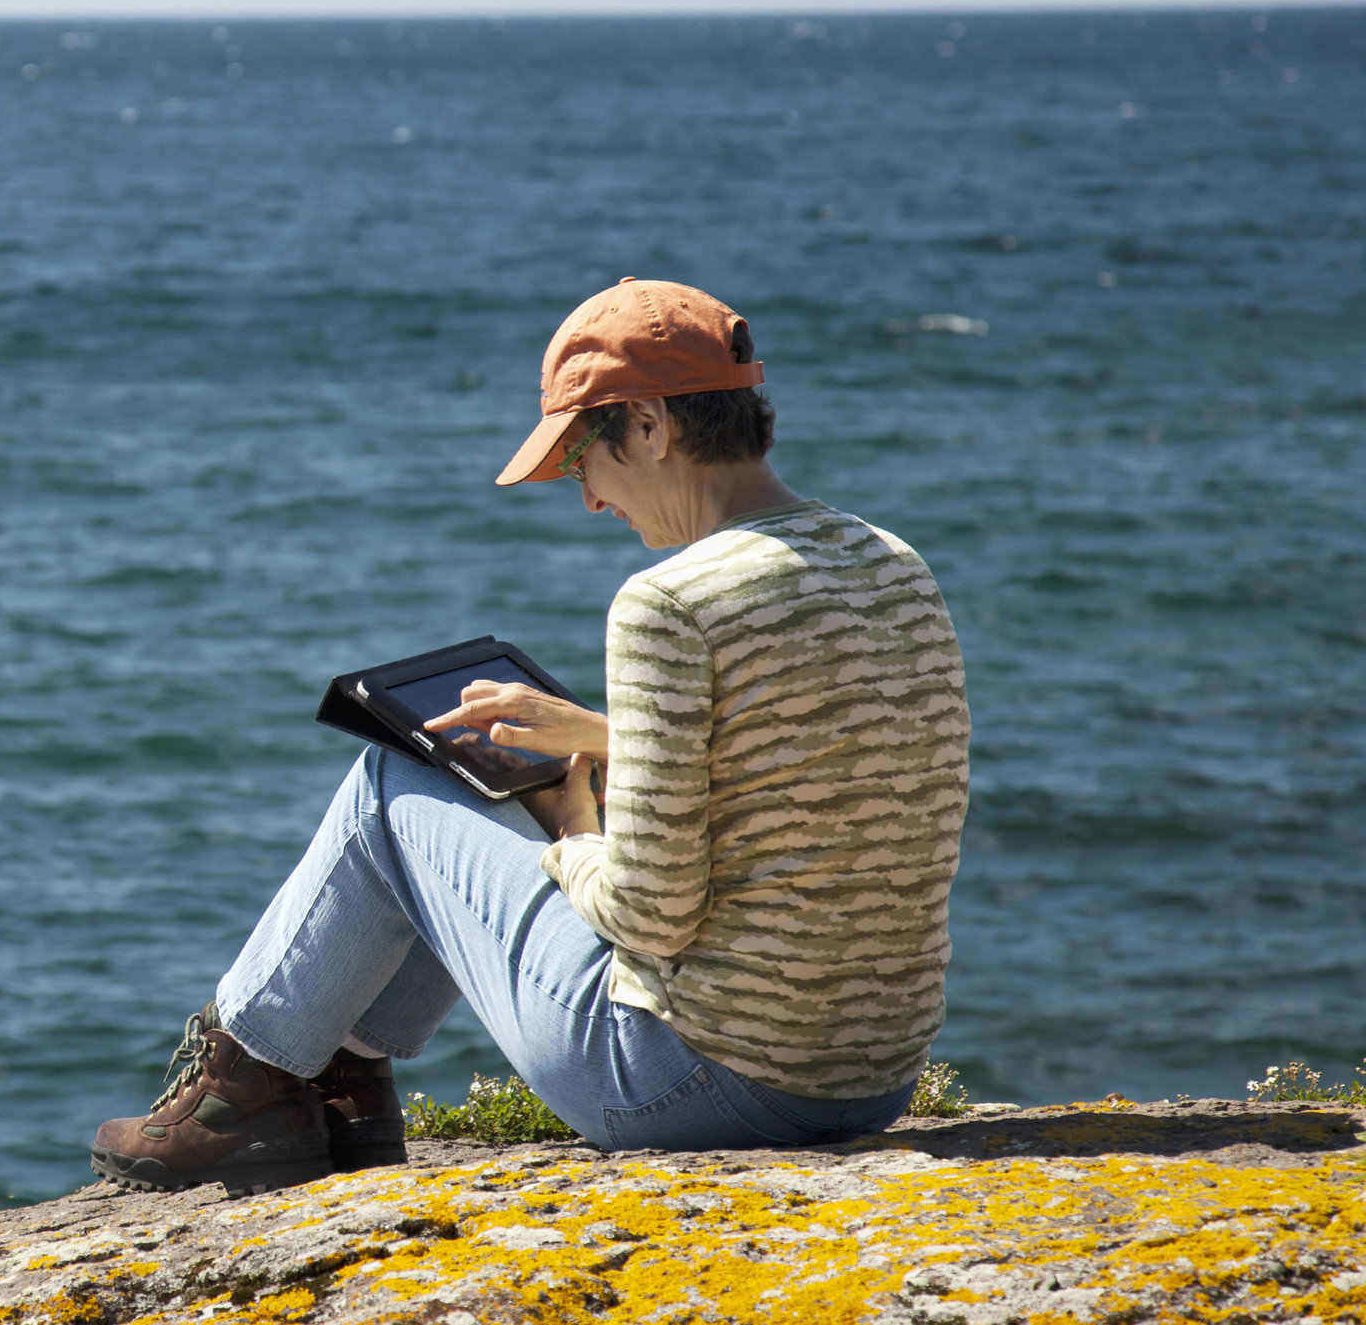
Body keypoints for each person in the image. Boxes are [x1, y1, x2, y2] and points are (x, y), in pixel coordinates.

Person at [89, 279, 971, 1193]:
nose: (587, 498)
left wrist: (568, 824)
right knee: (461, 776)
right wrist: (607, 734)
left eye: (580, 459)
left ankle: (250, 1085)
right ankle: (332, 1083)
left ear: (647, 425)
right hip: (869, 1078)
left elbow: (649, 914)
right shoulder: (890, 561)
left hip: (693, 1085)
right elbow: (834, 766)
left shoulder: (669, 603)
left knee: (394, 785)